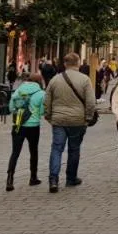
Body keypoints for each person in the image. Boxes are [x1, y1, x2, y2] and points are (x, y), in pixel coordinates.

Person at [43, 53, 97, 194]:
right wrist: (88, 117)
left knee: (56, 148)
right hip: (77, 120)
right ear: (78, 63)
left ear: (65, 64)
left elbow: (47, 100)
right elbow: (91, 102)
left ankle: (53, 179)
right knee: (74, 149)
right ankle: (71, 178)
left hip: (59, 120)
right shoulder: (85, 79)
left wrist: (49, 115)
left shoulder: (55, 79)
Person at [6, 72, 46, 191]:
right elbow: (43, 111)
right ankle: (33, 177)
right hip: (33, 125)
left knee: (15, 152)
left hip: (18, 124)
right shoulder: (41, 93)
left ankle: (9, 179)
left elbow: (10, 108)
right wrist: (36, 115)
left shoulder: (18, 91)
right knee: (33, 151)